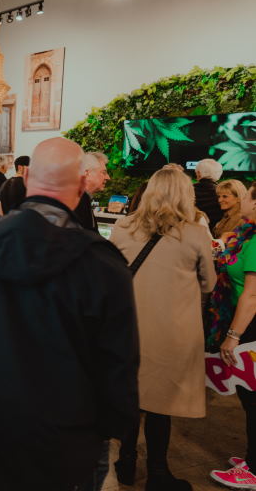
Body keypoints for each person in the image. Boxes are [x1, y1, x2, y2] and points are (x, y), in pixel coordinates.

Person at [0, 137, 139, 491]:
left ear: (28, 176)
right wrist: (106, 430)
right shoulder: (102, 263)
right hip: (68, 437)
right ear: (81, 183)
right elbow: (119, 363)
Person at [110, 169, 216, 490]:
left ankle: (126, 462)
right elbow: (209, 282)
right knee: (160, 406)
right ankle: (157, 473)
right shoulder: (196, 234)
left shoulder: (122, 226)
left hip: (128, 329)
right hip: (171, 331)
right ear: (186, 194)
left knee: (132, 397)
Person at [206, 182, 256, 489]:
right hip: (246, 324)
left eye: (250, 196)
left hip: (250, 326)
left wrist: (233, 336)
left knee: (253, 399)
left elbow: (251, 296)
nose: (245, 202)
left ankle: (253, 469)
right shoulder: (248, 235)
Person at [74, 151, 111, 231]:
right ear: (86, 173)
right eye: (103, 173)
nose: (108, 177)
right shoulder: (76, 202)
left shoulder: (81, 199)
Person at [194, 158, 224, 230]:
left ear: (198, 173)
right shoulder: (224, 193)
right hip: (216, 233)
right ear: (219, 175)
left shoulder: (187, 190)